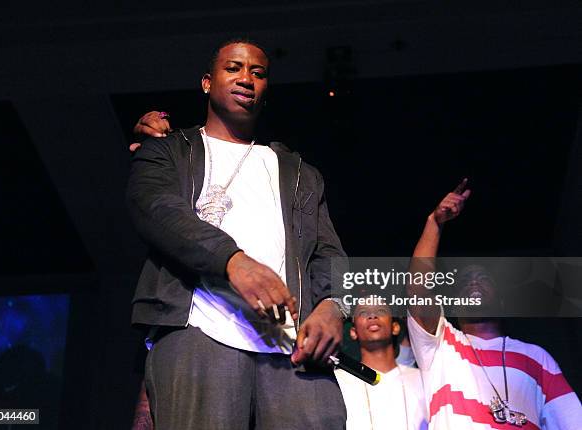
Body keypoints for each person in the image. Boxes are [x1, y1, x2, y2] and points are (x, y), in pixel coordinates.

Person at [127, 38, 348, 430]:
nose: (246, 78)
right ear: (207, 82)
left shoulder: (298, 173)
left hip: (288, 342)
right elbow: (157, 211)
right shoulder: (167, 151)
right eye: (233, 68)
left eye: (257, 72)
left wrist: (333, 307)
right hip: (198, 330)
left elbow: (327, 253)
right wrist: (234, 262)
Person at [407, 181, 582, 429]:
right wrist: (434, 223)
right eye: (465, 282)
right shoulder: (441, 345)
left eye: (483, 279)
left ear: (501, 301)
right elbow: (418, 289)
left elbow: (573, 422)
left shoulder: (537, 357)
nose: (474, 283)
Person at [337, 301, 428, 429]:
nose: (372, 316)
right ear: (353, 332)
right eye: (363, 312)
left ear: (395, 327)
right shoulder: (339, 380)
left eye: (381, 311)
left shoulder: (421, 379)